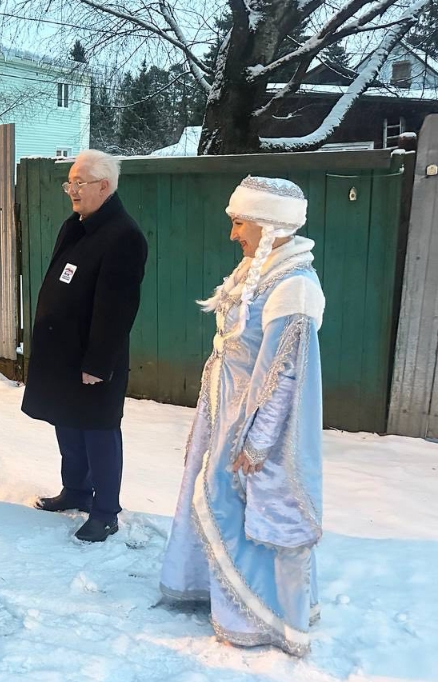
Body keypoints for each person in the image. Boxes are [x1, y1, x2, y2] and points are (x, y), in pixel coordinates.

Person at [159, 177, 325, 657]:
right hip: (225, 407)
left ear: (270, 224)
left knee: (233, 505)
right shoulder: (261, 269)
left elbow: (285, 375)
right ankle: (214, 594)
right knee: (210, 497)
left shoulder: (293, 285)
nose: (233, 234)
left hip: (249, 422)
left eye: (239, 223)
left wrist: (257, 442)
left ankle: (256, 616)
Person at [21, 149, 148, 543]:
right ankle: (76, 490)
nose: (71, 191)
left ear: (104, 186)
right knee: (68, 424)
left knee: (98, 430)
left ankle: (106, 511)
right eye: (69, 183)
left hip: (92, 358)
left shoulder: (123, 236)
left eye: (79, 183)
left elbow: (117, 309)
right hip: (62, 355)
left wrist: (98, 362)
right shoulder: (75, 226)